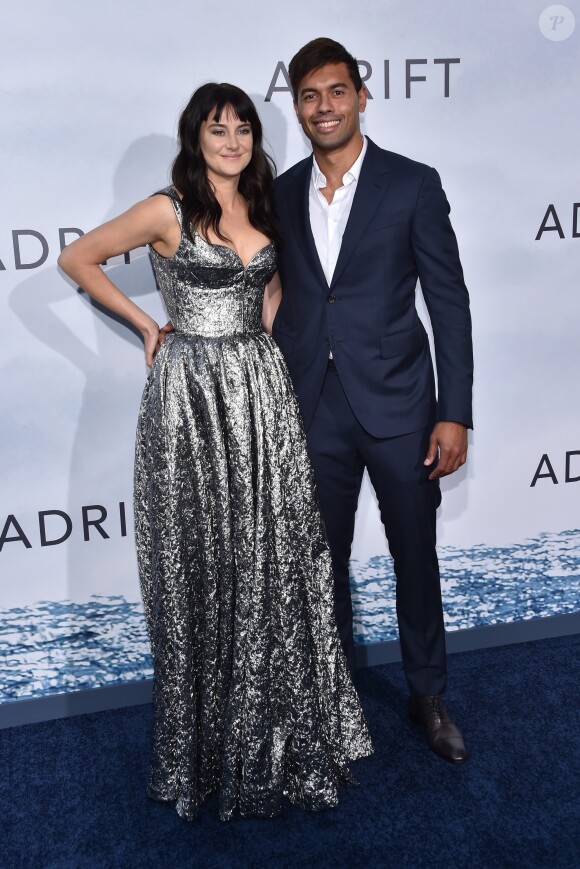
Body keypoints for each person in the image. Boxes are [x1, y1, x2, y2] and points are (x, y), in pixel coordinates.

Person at [58, 82, 372, 822]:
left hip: (259, 393)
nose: (231, 140)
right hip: (192, 397)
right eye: (216, 127)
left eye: (242, 128)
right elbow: (79, 258)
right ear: (194, 136)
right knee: (202, 561)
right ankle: (207, 747)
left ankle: (276, 734)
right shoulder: (167, 207)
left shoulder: (263, 206)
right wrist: (145, 324)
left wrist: (265, 344)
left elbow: (271, 293)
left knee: (268, 556)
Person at [272, 38, 473, 764]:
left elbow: (448, 303)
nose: (323, 107)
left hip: (401, 409)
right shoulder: (281, 191)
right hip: (312, 406)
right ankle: (333, 695)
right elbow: (264, 287)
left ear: (361, 96)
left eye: (335, 91)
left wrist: (454, 411)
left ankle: (428, 694)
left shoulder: (412, 184)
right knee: (320, 561)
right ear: (296, 107)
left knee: (414, 555)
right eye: (308, 96)